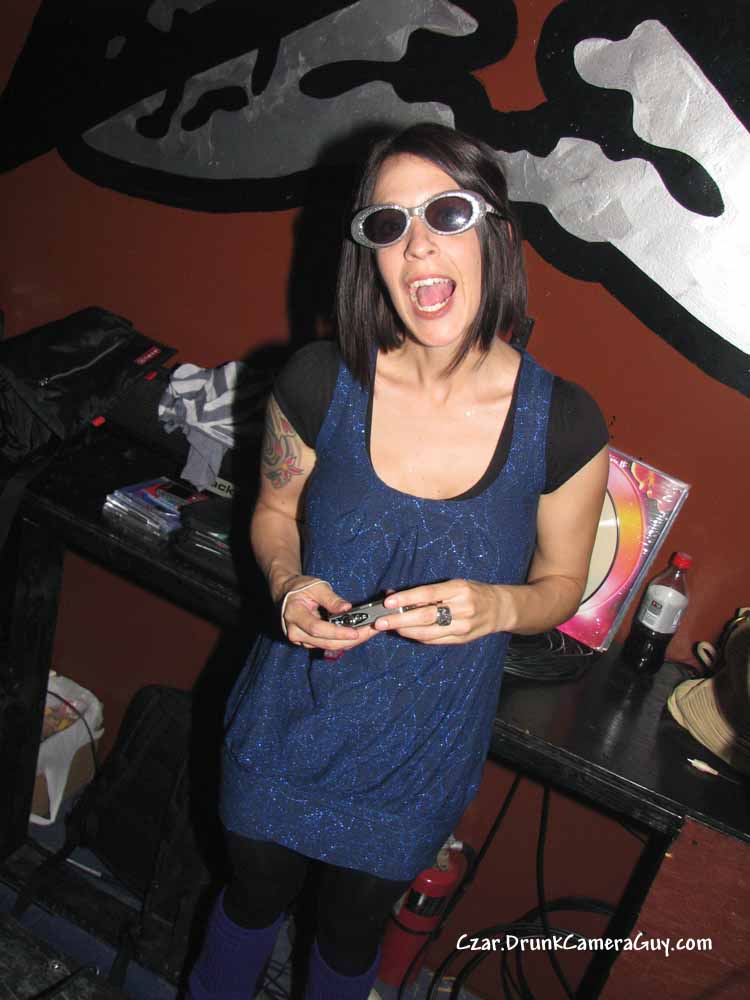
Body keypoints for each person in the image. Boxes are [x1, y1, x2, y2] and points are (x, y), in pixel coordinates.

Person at [187, 122, 609, 1000]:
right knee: (251, 897)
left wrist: (499, 606)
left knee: (349, 938)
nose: (417, 243)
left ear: (496, 233)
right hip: (287, 722)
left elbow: (563, 586)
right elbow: (272, 511)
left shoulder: (565, 423)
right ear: (369, 256)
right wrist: (287, 582)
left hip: (418, 755)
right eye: (389, 224)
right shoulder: (318, 380)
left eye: (446, 213)